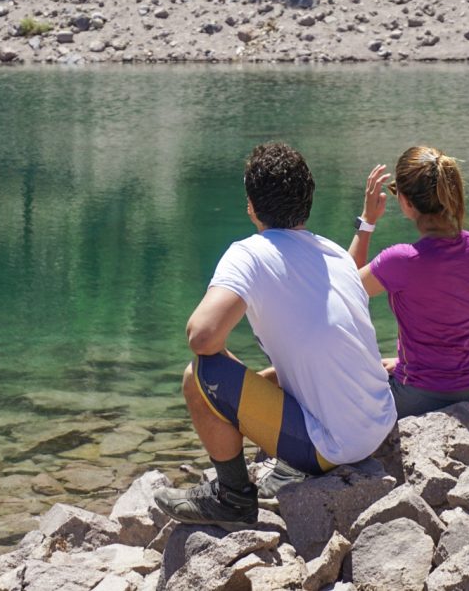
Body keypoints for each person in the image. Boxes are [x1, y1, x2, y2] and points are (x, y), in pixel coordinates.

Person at [153, 143, 397, 529]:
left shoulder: (249, 254)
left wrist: (229, 387)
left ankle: (231, 498)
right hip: (380, 422)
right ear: (308, 201)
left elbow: (202, 337)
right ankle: (279, 470)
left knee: (199, 376)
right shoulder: (333, 253)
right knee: (266, 374)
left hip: (333, 446)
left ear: (251, 205)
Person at [357, 145, 469, 418]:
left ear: (407, 203)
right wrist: (403, 360)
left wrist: (367, 222)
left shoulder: (399, 261)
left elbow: (341, 290)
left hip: (417, 398)